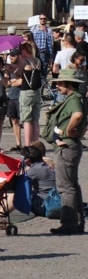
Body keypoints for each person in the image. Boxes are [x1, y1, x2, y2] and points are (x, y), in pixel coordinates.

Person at [45, 67, 86, 235]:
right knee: (72, 184)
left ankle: (69, 224)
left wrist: (69, 130)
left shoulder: (74, 99)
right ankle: (77, 222)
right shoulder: (78, 97)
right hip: (71, 145)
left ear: (69, 84)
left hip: (67, 146)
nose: (57, 86)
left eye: (60, 83)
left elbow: (78, 115)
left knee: (65, 186)